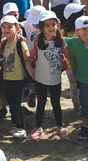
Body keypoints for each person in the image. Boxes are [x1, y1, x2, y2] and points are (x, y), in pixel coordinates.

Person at [28, 11, 68, 140]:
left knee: (56, 102)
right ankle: (38, 127)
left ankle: (59, 126)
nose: (51, 28)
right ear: (41, 27)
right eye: (47, 25)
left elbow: (67, 54)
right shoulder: (37, 39)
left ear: (57, 25)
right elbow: (31, 54)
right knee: (41, 102)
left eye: (53, 24)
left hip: (55, 77)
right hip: (40, 77)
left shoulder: (60, 40)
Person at [0, 15, 31, 139]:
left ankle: (21, 127)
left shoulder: (20, 42)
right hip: (7, 78)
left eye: (10, 27)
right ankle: (15, 124)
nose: (6, 29)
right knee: (11, 103)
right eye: (4, 27)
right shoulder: (4, 43)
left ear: (17, 28)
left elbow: (27, 57)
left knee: (17, 104)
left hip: (18, 79)